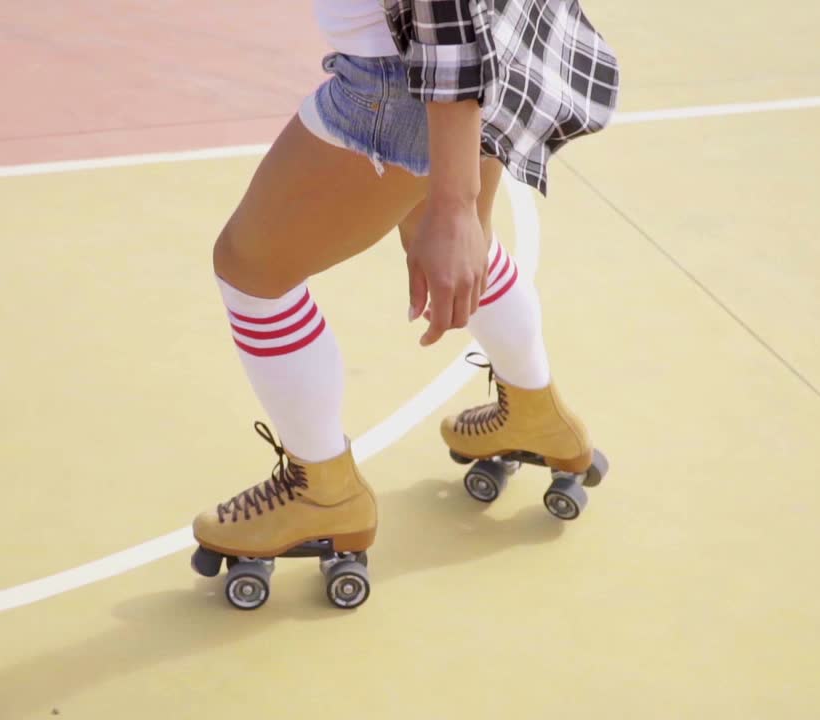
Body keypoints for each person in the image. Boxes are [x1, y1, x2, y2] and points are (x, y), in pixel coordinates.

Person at [189, 0, 619, 607]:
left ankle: (322, 491)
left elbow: (447, 31)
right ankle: (535, 412)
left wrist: (452, 200)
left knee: (250, 271)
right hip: (480, 55)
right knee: (466, 241)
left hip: (408, 83)